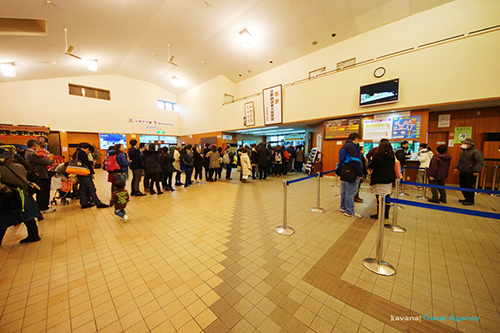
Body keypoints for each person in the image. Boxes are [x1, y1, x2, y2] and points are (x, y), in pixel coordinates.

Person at [0, 145, 41, 245]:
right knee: (29, 216)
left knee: (4, 219)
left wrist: (6, 190)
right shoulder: (19, 166)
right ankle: (34, 235)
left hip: (9, 197)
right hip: (24, 194)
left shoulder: (1, 169)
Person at [72, 142, 108, 209]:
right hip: (84, 173)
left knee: (83, 188)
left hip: (80, 173)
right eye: (89, 151)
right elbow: (86, 162)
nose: (88, 153)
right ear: (87, 148)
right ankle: (98, 203)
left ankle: (84, 203)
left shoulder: (76, 152)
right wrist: (92, 162)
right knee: (91, 188)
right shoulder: (81, 153)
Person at [337, 133, 364, 218]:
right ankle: (350, 211)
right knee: (350, 192)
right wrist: (360, 173)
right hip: (351, 171)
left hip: (345, 170)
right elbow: (355, 161)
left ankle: (343, 207)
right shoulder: (352, 146)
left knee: (344, 190)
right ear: (356, 139)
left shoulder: (344, 146)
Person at [368, 140, 396, 219]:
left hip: (379, 179)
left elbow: (372, 166)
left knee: (379, 198)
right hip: (389, 179)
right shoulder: (392, 156)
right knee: (387, 196)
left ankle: (380, 214)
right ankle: (386, 214)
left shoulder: (378, 156)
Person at [26, 139, 55, 213]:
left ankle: (43, 206)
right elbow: (45, 162)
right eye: (37, 145)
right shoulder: (31, 154)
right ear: (34, 145)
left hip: (41, 174)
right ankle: (43, 207)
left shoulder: (31, 153)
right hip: (40, 174)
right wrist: (51, 159)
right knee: (43, 191)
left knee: (43, 191)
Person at [454, 138, 484, 206]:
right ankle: (466, 198)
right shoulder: (463, 152)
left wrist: (476, 170)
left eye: (465, 143)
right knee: (462, 185)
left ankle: (470, 200)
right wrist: (456, 167)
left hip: (470, 172)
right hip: (463, 171)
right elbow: (460, 160)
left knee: (469, 186)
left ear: (470, 144)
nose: (463, 144)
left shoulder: (476, 152)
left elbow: (479, 162)